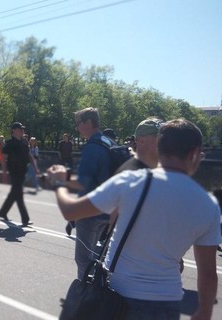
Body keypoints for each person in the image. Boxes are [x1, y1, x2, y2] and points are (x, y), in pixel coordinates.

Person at [47, 119, 220, 320]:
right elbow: (208, 273)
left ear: (160, 148)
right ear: (195, 153)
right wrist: (204, 311)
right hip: (166, 303)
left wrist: (59, 183)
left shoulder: (131, 181)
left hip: (118, 297)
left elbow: (71, 211)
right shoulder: (208, 204)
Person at [64, 107, 112, 279]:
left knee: (83, 259)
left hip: (90, 212)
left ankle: (86, 295)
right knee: (99, 257)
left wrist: (60, 179)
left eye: (78, 124)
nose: (77, 128)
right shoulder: (109, 143)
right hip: (109, 211)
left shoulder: (92, 147)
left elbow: (82, 183)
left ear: (88, 123)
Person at [0, 122, 39, 226]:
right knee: (19, 195)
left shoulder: (24, 142)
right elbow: (3, 157)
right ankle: (25, 219)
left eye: (22, 129)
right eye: (20, 129)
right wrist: (4, 172)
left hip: (22, 171)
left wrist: (35, 167)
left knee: (14, 193)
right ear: (14, 130)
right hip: (14, 172)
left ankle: (2, 212)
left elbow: (29, 155)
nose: (22, 131)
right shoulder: (10, 143)